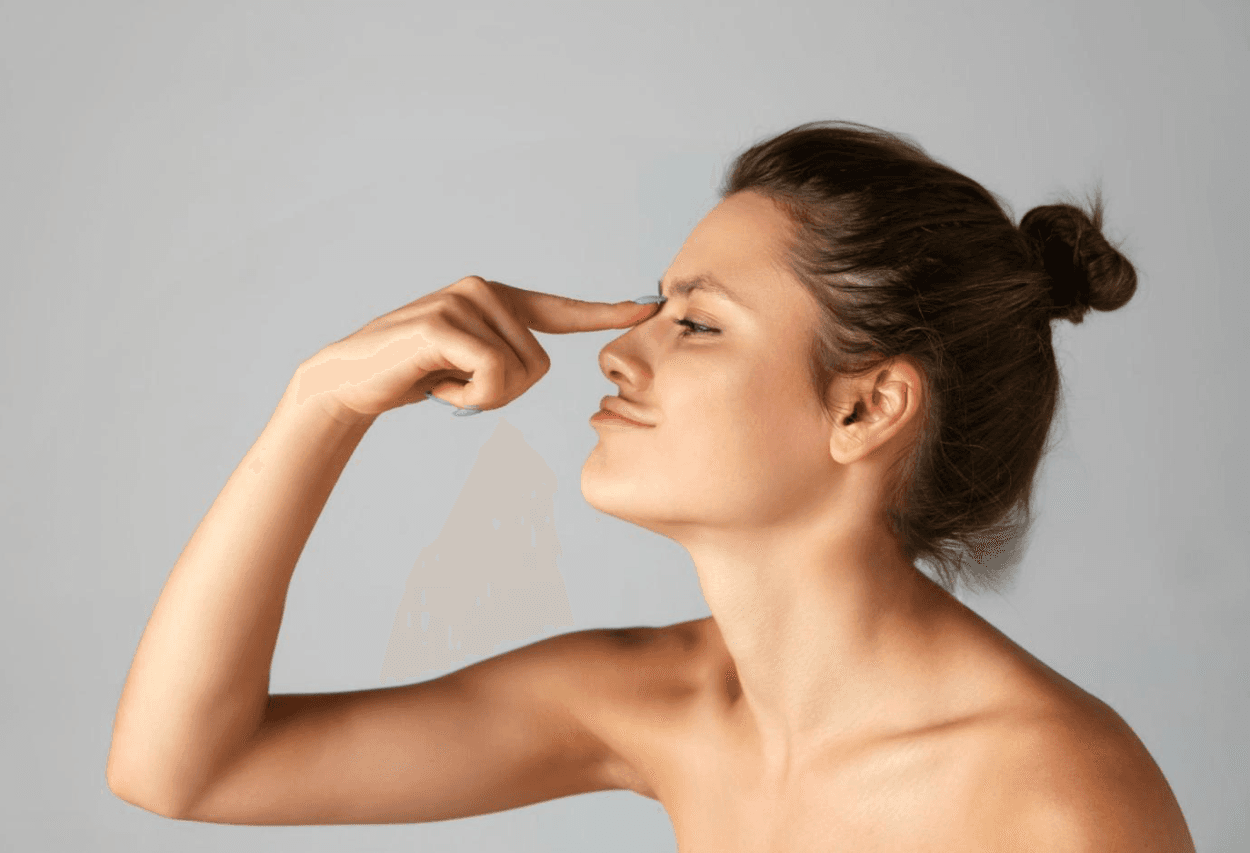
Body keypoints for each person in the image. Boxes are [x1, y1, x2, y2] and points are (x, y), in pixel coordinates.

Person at [106, 121, 1195, 850]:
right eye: (654, 306)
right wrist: (322, 403)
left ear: (864, 408)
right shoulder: (658, 706)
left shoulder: (1055, 801)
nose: (619, 355)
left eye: (698, 324)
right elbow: (183, 768)